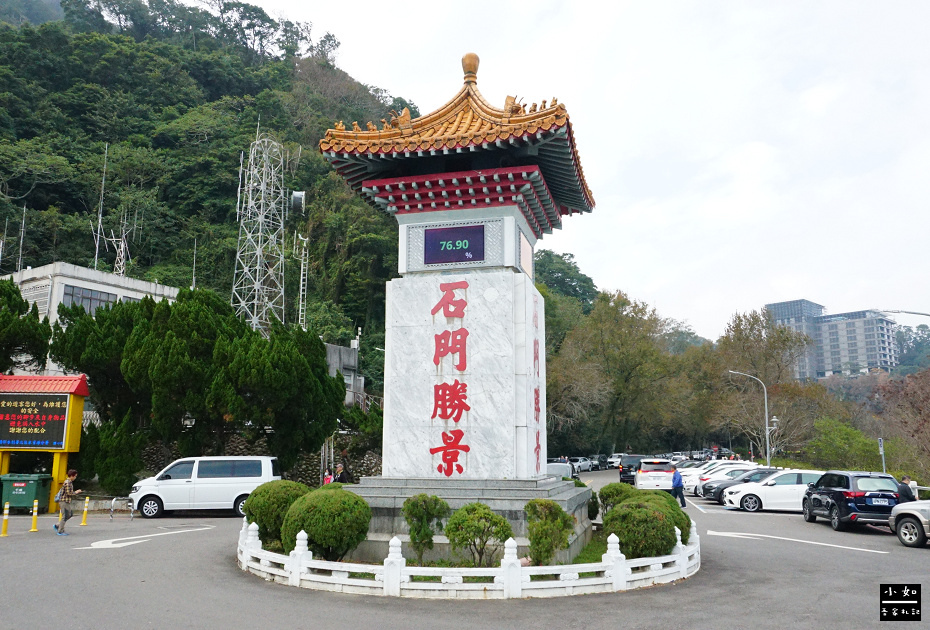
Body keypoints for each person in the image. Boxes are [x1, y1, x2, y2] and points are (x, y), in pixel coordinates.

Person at [55, 469, 83, 536]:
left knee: (70, 514)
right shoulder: (68, 483)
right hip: (63, 501)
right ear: (72, 476)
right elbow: (69, 493)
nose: (75, 478)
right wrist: (77, 492)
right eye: (75, 476)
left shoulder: (69, 482)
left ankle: (57, 525)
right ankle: (60, 531)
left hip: (67, 501)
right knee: (65, 516)